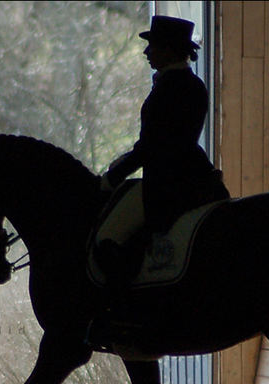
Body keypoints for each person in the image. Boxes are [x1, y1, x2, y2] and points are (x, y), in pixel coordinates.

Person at [95, 15, 229, 286]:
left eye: (152, 46)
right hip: (192, 173)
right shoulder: (190, 85)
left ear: (169, 49)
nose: (147, 52)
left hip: (168, 184)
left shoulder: (171, 89)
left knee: (108, 239)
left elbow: (152, 146)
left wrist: (114, 176)